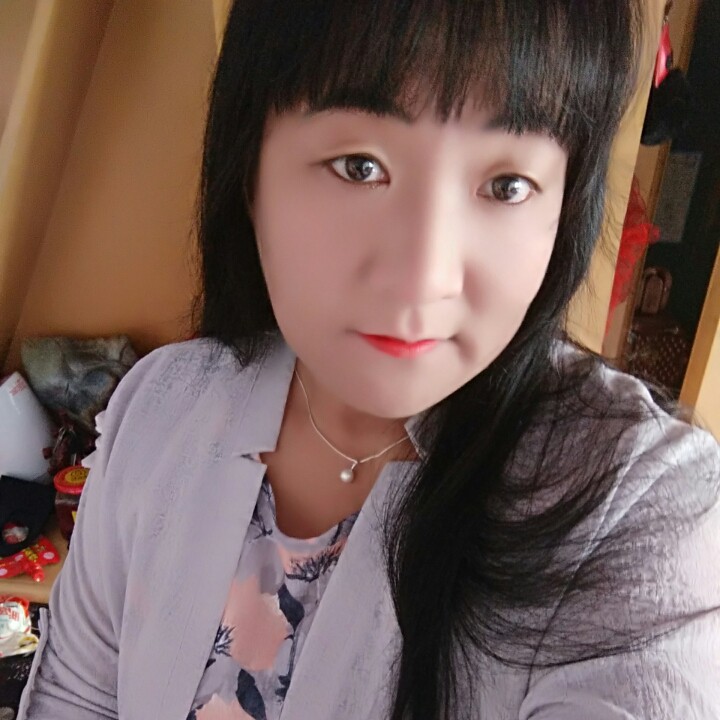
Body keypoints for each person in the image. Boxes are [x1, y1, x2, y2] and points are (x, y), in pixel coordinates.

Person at [18, 1, 720, 718]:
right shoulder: (162, 403)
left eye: (507, 185)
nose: (424, 276)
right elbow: (77, 694)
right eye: (360, 167)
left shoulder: (640, 510)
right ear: (249, 170)